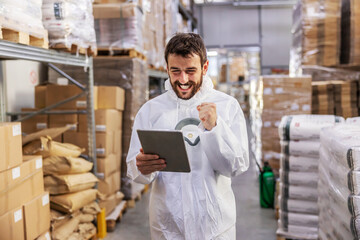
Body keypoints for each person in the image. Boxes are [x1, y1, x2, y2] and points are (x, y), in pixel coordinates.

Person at [126, 33, 249, 240]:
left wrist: (215, 128)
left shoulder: (227, 107)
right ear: (167, 68)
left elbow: (237, 165)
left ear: (205, 67)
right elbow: (134, 168)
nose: (183, 80)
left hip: (215, 227)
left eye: (190, 71)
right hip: (169, 227)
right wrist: (141, 167)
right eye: (176, 71)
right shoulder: (151, 111)